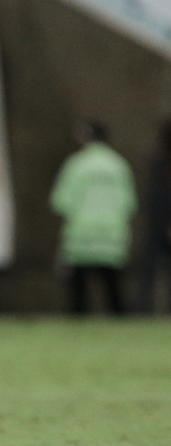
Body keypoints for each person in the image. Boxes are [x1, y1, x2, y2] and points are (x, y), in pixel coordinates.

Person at [50, 122, 136, 314]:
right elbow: (129, 203)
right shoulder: (118, 165)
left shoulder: (76, 164)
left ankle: (78, 334)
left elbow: (60, 201)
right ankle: (121, 331)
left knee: (78, 294)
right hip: (112, 235)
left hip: (81, 235)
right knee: (114, 291)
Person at [140, 120, 171, 313]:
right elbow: (157, 196)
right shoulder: (158, 163)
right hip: (156, 225)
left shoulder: (157, 163)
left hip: (159, 224)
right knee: (148, 272)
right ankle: (142, 311)